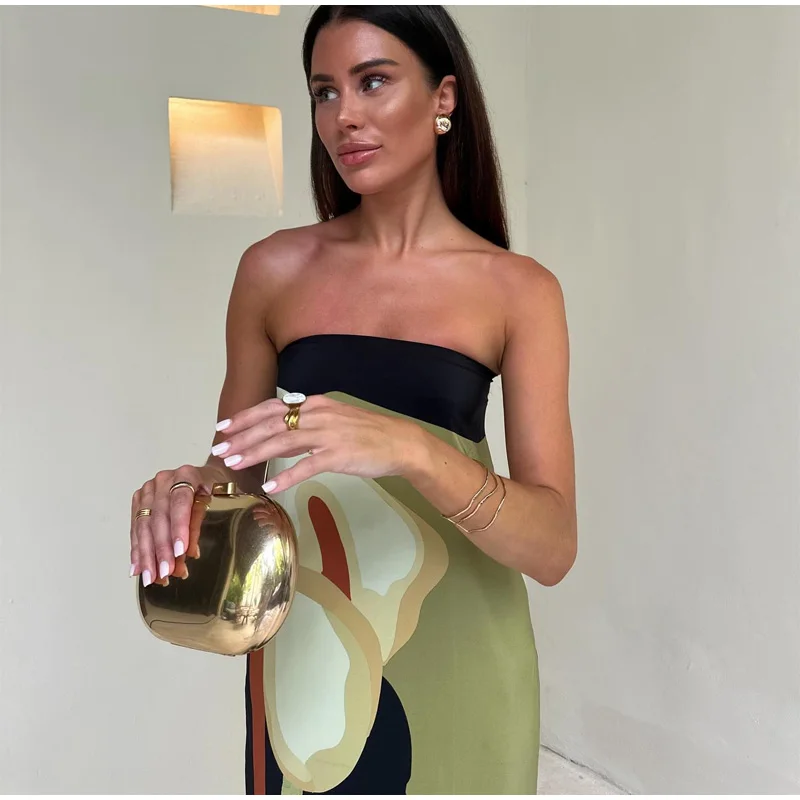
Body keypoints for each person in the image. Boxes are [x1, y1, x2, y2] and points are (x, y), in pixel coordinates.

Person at [129, 5, 577, 795]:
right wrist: (187, 494)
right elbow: (236, 476)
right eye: (325, 92)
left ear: (443, 99)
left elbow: (553, 549)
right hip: (309, 652)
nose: (345, 116)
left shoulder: (518, 291)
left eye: (373, 82)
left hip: (465, 651)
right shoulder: (272, 271)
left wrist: (413, 449)